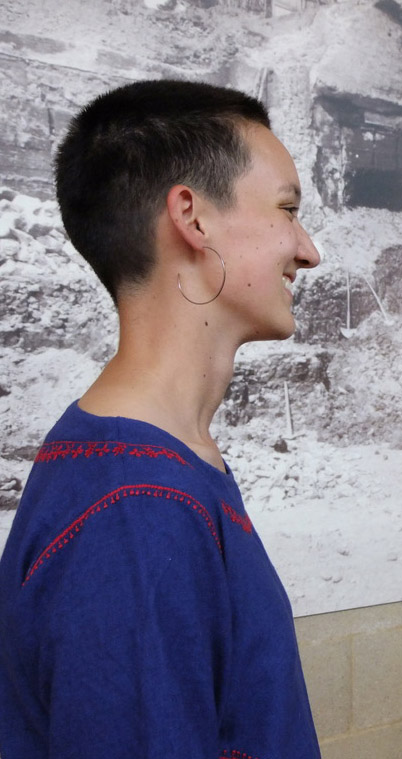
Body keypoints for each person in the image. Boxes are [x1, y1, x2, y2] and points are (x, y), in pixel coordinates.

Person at [0, 80, 323, 758]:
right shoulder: (136, 515)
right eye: (288, 210)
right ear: (193, 218)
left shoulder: (154, 467)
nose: (308, 249)